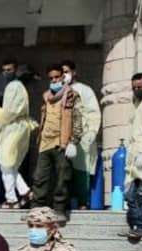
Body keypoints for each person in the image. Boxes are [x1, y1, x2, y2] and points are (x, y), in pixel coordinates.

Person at [31, 63, 82, 220]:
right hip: (45, 142)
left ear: (63, 77)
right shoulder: (46, 96)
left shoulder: (72, 95)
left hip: (62, 142)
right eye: (51, 78)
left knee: (62, 178)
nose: (54, 80)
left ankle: (60, 210)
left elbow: (77, 118)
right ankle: (36, 210)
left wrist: (74, 141)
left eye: (57, 77)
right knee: (40, 178)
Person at [61, 60, 101, 210]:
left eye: (66, 72)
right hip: (63, 138)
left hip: (81, 138)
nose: (64, 75)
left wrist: (91, 132)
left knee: (81, 171)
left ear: (74, 72)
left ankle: (83, 203)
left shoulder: (84, 90)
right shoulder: (58, 92)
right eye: (62, 73)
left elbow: (93, 112)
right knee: (63, 172)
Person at [121, 73, 142, 241]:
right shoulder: (135, 104)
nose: (136, 90)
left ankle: (141, 227)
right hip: (134, 155)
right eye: (134, 87)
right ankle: (135, 225)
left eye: (139, 87)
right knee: (129, 194)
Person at [0, 61, 35, 208]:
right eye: (4, 70)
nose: (6, 72)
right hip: (18, 127)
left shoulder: (13, 86)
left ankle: (11, 199)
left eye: (9, 69)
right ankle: (25, 191)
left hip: (13, 127)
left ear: (16, 70)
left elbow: (10, 111)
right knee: (10, 165)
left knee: (5, 163)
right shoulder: (18, 86)